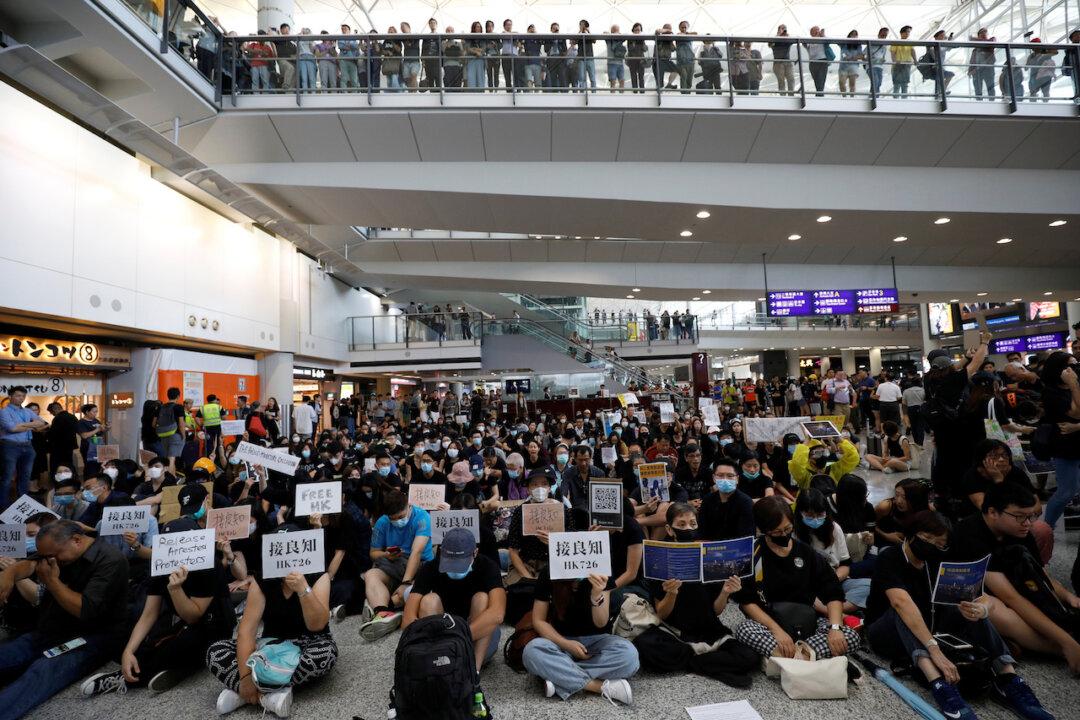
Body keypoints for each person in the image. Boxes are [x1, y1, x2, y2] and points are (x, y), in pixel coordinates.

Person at [867, 509, 1056, 720]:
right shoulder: (890, 558)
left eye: (938, 542)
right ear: (912, 534)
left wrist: (980, 609)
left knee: (969, 609)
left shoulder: (937, 559)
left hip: (930, 626)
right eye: (926, 538)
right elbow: (901, 603)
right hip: (886, 631)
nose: (932, 545)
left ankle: (1008, 677)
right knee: (901, 609)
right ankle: (938, 684)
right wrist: (935, 650)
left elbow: (979, 595)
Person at [80, 504, 235, 697]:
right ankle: (180, 667)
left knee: (184, 643)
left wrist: (175, 589)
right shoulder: (161, 563)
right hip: (179, 623)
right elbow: (149, 614)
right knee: (122, 640)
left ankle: (125, 677)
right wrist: (128, 651)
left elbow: (193, 617)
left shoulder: (209, 565)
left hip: (214, 626)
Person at [0, 520, 128, 718]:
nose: (50, 561)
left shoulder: (111, 560)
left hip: (88, 638)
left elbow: (85, 610)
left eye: (54, 557)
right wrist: (10, 573)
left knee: (42, 670)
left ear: (76, 540)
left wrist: (52, 581)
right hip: (50, 630)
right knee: (7, 655)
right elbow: (30, 564)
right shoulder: (54, 551)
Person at [951, 483, 1080, 675]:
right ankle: (1061, 650)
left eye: (1032, 516)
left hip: (1013, 588)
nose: (1028, 523)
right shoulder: (969, 534)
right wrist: (1066, 642)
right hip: (970, 598)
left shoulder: (1019, 531)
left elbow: (1040, 576)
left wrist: (1069, 597)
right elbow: (1011, 597)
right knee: (993, 610)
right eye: (1020, 516)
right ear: (993, 512)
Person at [208, 526, 337, 718]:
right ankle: (266, 692)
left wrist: (303, 590)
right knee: (216, 651)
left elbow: (316, 625)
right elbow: (247, 631)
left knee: (325, 655)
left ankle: (250, 694)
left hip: (309, 643)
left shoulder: (319, 575)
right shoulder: (263, 581)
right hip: (271, 646)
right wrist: (244, 678)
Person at [633, 502, 759, 686]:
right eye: (681, 525)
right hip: (675, 631)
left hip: (709, 630)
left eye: (693, 524)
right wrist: (672, 593)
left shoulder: (709, 556)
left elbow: (716, 611)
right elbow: (661, 614)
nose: (688, 528)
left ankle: (695, 663)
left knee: (750, 657)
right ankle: (712, 664)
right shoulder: (660, 558)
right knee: (646, 648)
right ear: (669, 529)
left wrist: (725, 592)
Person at [733, 497, 860, 661]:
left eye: (788, 529)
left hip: (807, 622)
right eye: (777, 532)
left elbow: (833, 592)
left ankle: (788, 659)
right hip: (769, 623)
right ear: (763, 529)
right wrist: (776, 631)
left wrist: (835, 628)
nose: (784, 535)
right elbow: (746, 601)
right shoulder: (752, 554)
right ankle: (808, 657)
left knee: (849, 636)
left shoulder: (806, 553)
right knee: (744, 629)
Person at [522, 569, 638, 704]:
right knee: (532, 651)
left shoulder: (601, 568)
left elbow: (601, 623)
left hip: (597, 642)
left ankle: (559, 676)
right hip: (559, 642)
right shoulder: (550, 571)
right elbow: (538, 620)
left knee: (629, 656)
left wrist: (596, 594)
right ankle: (599, 687)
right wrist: (566, 644)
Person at [402, 527, 505, 668]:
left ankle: (474, 671)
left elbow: (497, 613)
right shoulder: (430, 567)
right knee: (428, 601)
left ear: (475, 553)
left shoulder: (488, 566)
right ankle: (436, 662)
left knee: (482, 598)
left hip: (476, 635)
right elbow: (408, 619)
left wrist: (460, 637)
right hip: (441, 636)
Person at [359, 489, 433, 641]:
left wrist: (406, 582)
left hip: (420, 565)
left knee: (405, 594)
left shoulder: (422, 517)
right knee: (371, 575)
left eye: (401, 517)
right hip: (392, 563)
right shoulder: (382, 522)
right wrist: (386, 554)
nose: (398, 521)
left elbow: (416, 552)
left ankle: (382, 607)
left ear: (408, 505)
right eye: (393, 519)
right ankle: (383, 613)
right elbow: (374, 553)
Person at [1037, 351, 1080, 529]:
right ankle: (1046, 527)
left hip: (1076, 439)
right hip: (1066, 447)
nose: (1073, 370)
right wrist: (1074, 385)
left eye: (1075, 365)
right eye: (1068, 366)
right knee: (1066, 491)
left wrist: (1077, 427)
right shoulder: (1051, 393)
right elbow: (1077, 412)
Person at [0, 386, 49, 510]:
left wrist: (23, 425)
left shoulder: (27, 411)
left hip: (28, 446)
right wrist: (32, 426)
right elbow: (12, 429)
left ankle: (23, 503)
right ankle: (3, 505)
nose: (21, 398)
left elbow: (42, 423)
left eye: (23, 396)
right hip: (10, 446)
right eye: (18, 395)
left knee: (25, 476)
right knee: (8, 477)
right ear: (10, 397)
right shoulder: (4, 412)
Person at [698, 458, 756, 541]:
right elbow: (702, 531)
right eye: (720, 475)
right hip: (710, 548)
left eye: (730, 476)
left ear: (737, 479)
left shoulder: (746, 502)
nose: (725, 479)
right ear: (714, 478)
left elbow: (747, 535)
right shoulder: (707, 500)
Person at [788, 435, 861, 491]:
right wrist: (807, 441)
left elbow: (853, 457)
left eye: (824, 452)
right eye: (818, 453)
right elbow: (796, 464)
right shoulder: (804, 473)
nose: (822, 455)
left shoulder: (833, 469)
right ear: (808, 456)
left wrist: (839, 439)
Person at [155, 387, 187, 474]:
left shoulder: (161, 407)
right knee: (172, 459)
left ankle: (172, 478)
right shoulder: (179, 407)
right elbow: (181, 423)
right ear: (178, 396)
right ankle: (170, 482)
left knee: (168, 459)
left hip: (163, 435)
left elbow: (154, 424)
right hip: (175, 435)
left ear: (168, 396)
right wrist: (183, 436)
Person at [890, 25, 916, 97]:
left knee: (905, 84)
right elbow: (893, 53)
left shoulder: (909, 43)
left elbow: (912, 51)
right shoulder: (896, 42)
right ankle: (896, 101)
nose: (908, 34)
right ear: (902, 33)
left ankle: (904, 100)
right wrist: (895, 61)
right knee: (897, 84)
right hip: (898, 65)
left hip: (906, 65)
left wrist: (915, 60)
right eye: (907, 32)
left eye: (909, 32)